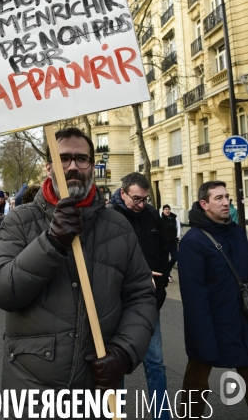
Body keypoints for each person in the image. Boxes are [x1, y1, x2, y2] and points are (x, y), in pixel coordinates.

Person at [0, 128, 157, 418]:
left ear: (92, 165)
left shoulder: (117, 226)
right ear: (49, 166)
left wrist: (125, 352)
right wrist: (51, 243)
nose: (73, 166)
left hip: (97, 390)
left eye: (82, 159)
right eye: (63, 158)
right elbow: (2, 290)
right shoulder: (20, 220)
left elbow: (141, 296)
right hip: (31, 390)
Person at [179, 180, 248, 417]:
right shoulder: (193, 241)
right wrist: (201, 337)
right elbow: (193, 297)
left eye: (227, 196)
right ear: (204, 204)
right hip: (210, 323)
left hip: (242, 319)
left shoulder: (238, 232)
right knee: (196, 383)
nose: (226, 202)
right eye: (218, 198)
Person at [111, 172, 169, 420]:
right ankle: (115, 415)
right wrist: (139, 274)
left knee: (155, 362)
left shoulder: (151, 214)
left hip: (150, 302)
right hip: (118, 303)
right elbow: (104, 264)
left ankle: (162, 415)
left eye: (145, 199)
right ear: (123, 193)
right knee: (117, 364)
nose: (141, 204)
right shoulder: (108, 218)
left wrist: (162, 279)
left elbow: (161, 250)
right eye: (136, 199)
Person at [161, 204, 180, 282]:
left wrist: (177, 237)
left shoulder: (174, 218)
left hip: (173, 242)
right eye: (165, 209)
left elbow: (178, 227)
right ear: (163, 210)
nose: (167, 210)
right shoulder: (160, 219)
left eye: (168, 209)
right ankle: (167, 275)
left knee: (175, 257)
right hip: (165, 242)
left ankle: (166, 270)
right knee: (165, 260)